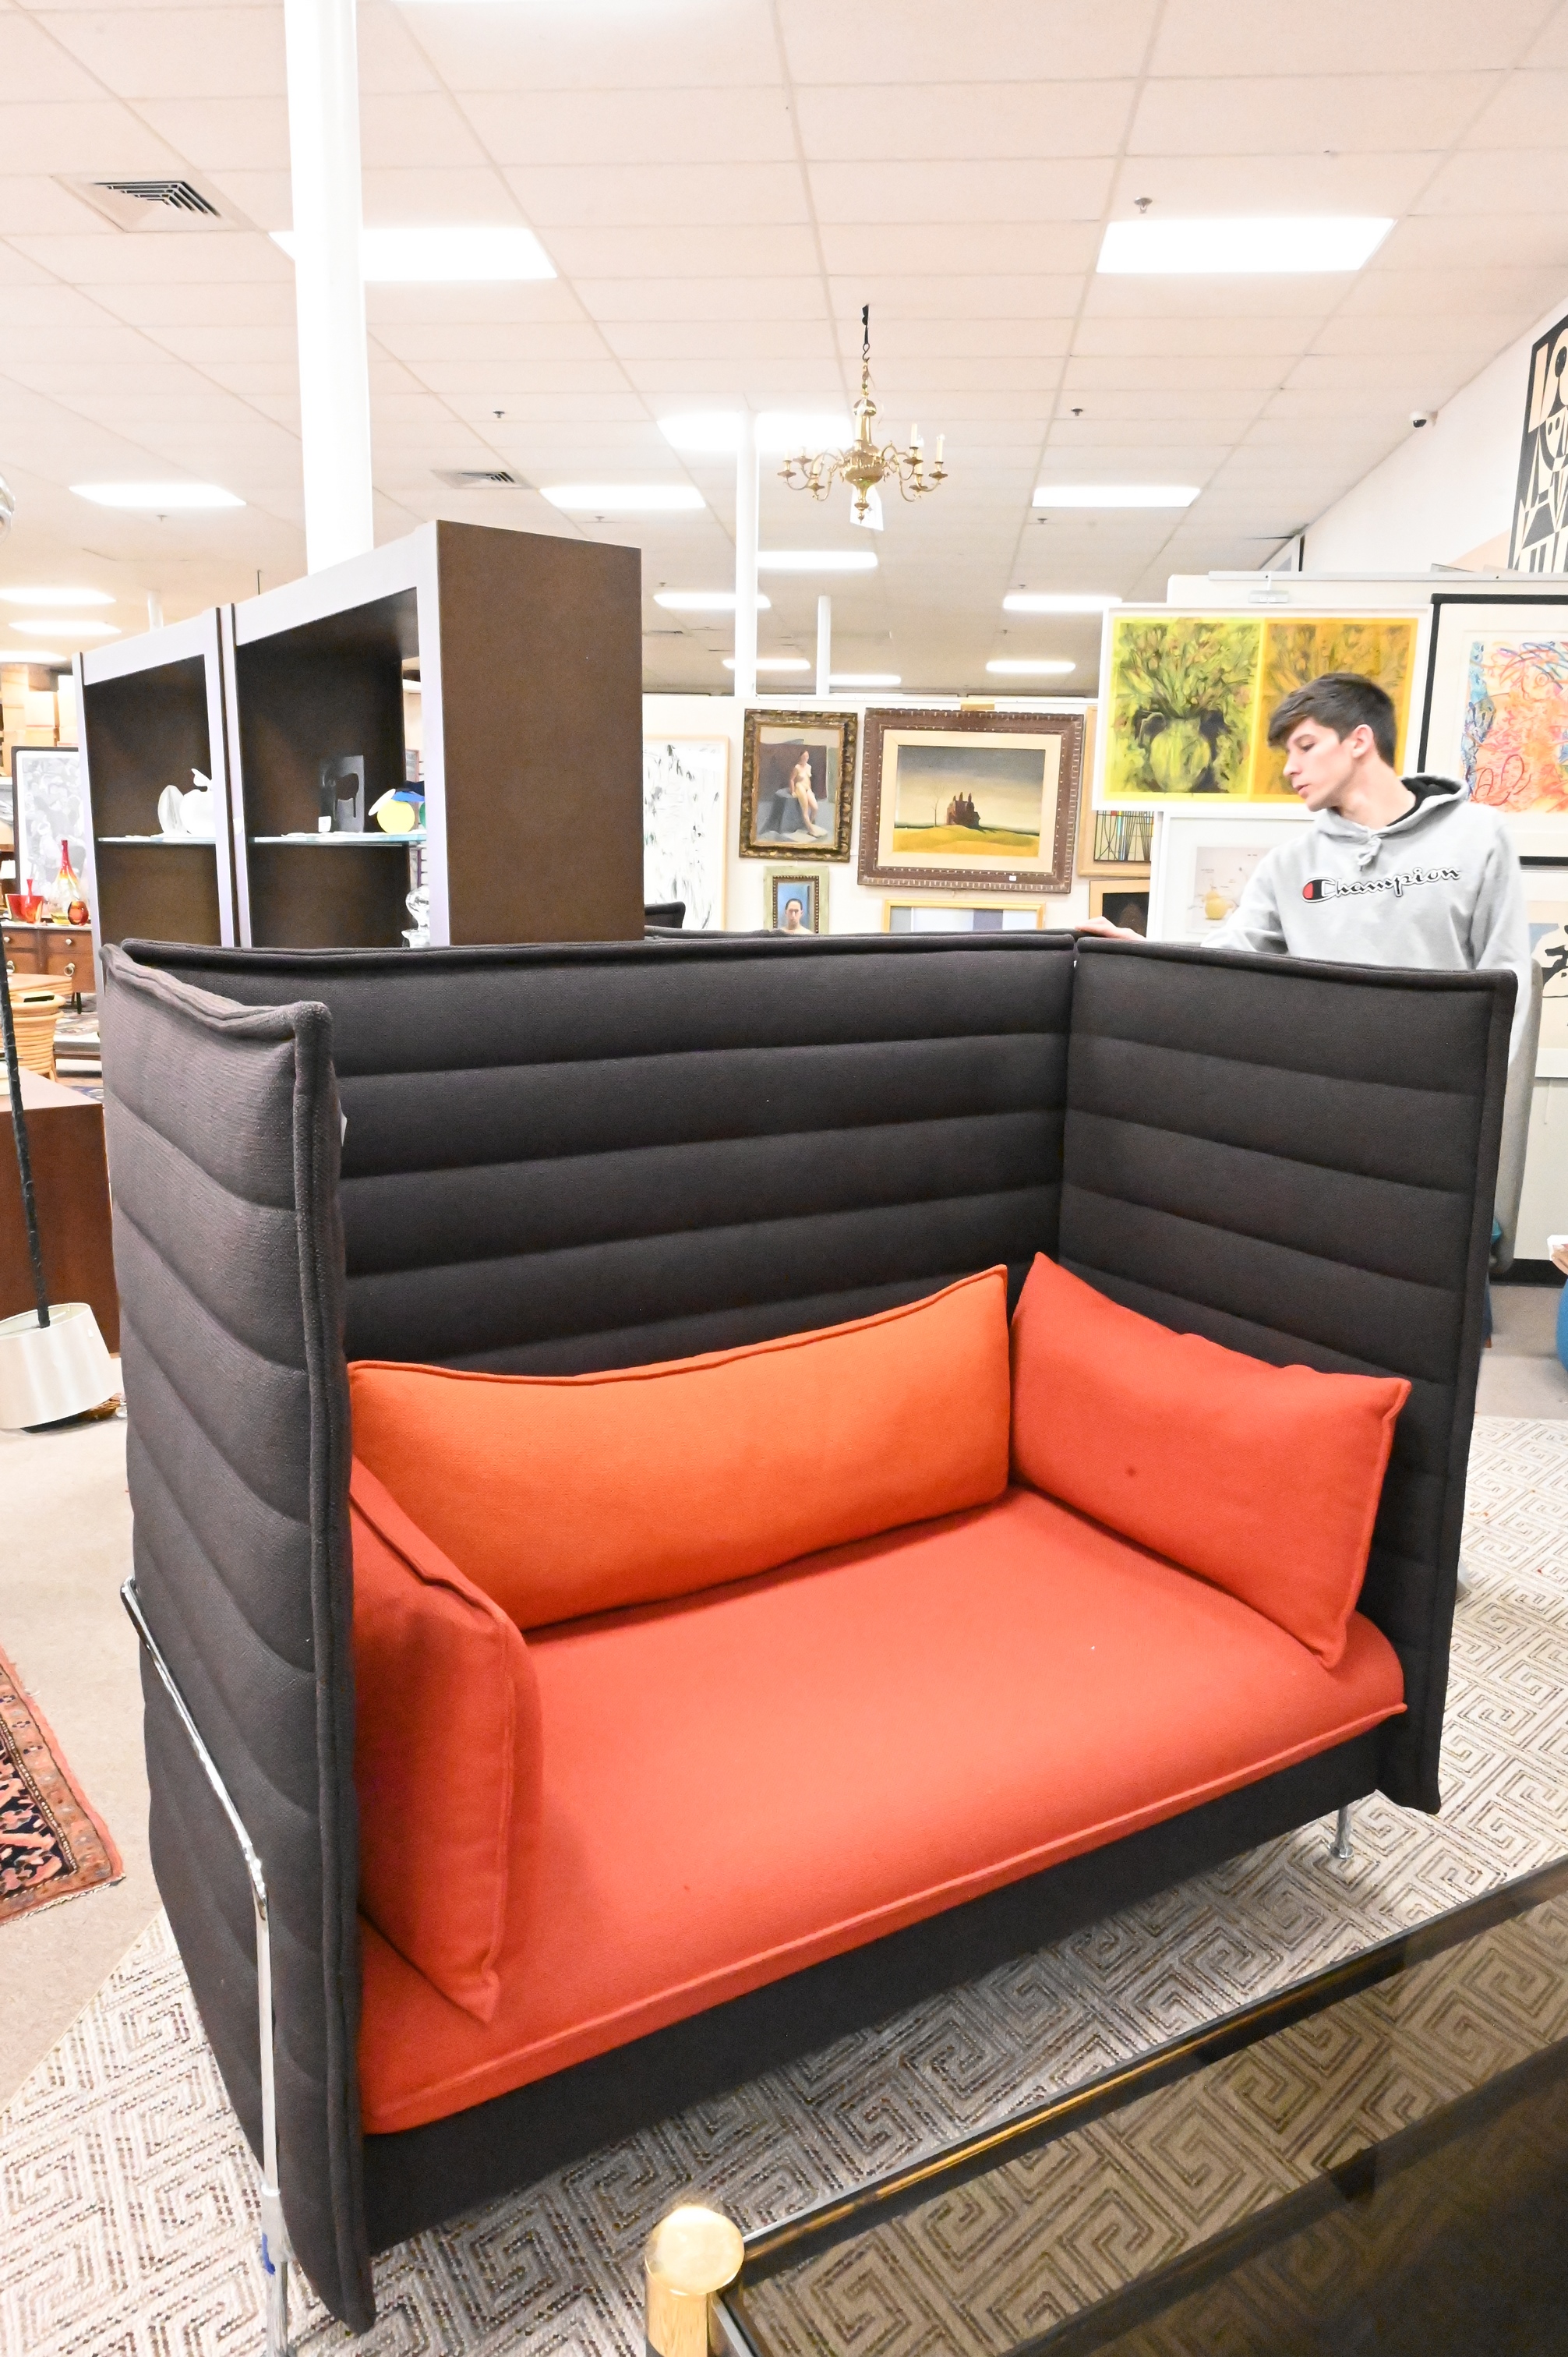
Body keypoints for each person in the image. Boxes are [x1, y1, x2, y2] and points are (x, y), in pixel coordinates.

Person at [1086, 670, 1532, 1058]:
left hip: (1442, 1090)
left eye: (1305, 746)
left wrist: (1482, 1085)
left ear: (1359, 741)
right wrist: (1141, 953)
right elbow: (1223, 963)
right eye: (1288, 753)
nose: (1289, 769)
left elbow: (1507, 974)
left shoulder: (1477, 835)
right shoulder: (1288, 867)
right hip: (1324, 1088)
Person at [787, 748, 828, 839]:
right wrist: (793, 791)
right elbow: (791, 780)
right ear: (800, 757)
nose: (806, 758)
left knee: (815, 808)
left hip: (807, 788)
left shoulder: (809, 767)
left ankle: (809, 824)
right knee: (805, 810)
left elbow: (808, 779)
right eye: (804, 756)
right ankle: (811, 830)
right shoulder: (797, 767)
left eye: (807, 756)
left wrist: (810, 790)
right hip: (800, 787)